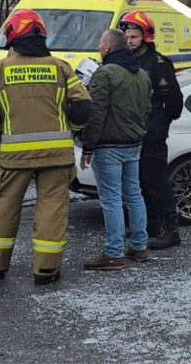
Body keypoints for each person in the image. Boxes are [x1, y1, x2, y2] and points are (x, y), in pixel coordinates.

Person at [0, 9, 92, 285]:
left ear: (13, 36)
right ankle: (46, 270)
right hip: (58, 156)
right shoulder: (60, 67)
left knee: (3, 208)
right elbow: (84, 106)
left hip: (15, 157)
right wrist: (69, 128)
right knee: (52, 210)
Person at [80, 29, 152, 270]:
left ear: (109, 48)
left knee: (110, 199)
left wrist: (87, 146)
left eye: (101, 43)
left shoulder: (105, 73)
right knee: (134, 194)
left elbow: (96, 112)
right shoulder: (141, 74)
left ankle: (113, 254)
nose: (99, 47)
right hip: (134, 143)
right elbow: (147, 109)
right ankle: (139, 247)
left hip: (108, 145)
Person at [118, 11, 185, 249]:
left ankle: (171, 230)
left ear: (145, 37)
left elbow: (175, 102)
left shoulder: (158, 64)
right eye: (126, 36)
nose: (129, 41)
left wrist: (161, 122)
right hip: (133, 131)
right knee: (139, 181)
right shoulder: (128, 61)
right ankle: (151, 224)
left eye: (134, 37)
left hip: (152, 131)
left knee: (156, 181)